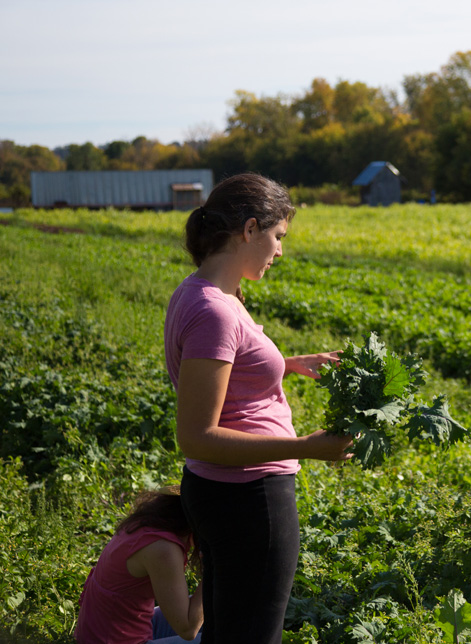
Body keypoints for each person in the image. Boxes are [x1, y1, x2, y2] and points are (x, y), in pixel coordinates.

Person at [164, 172, 354, 644]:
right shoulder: (216, 311)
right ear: (249, 230)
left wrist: (286, 365)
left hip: (221, 494)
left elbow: (219, 371)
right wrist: (305, 448)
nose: (280, 251)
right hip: (247, 499)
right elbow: (195, 435)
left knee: (230, 630)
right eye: (277, 236)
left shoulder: (201, 292)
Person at [75, 487, 203, 644]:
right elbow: (188, 629)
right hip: (112, 640)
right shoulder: (163, 548)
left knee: (223, 611)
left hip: (109, 632)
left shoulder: (149, 524)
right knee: (229, 636)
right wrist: (217, 567)